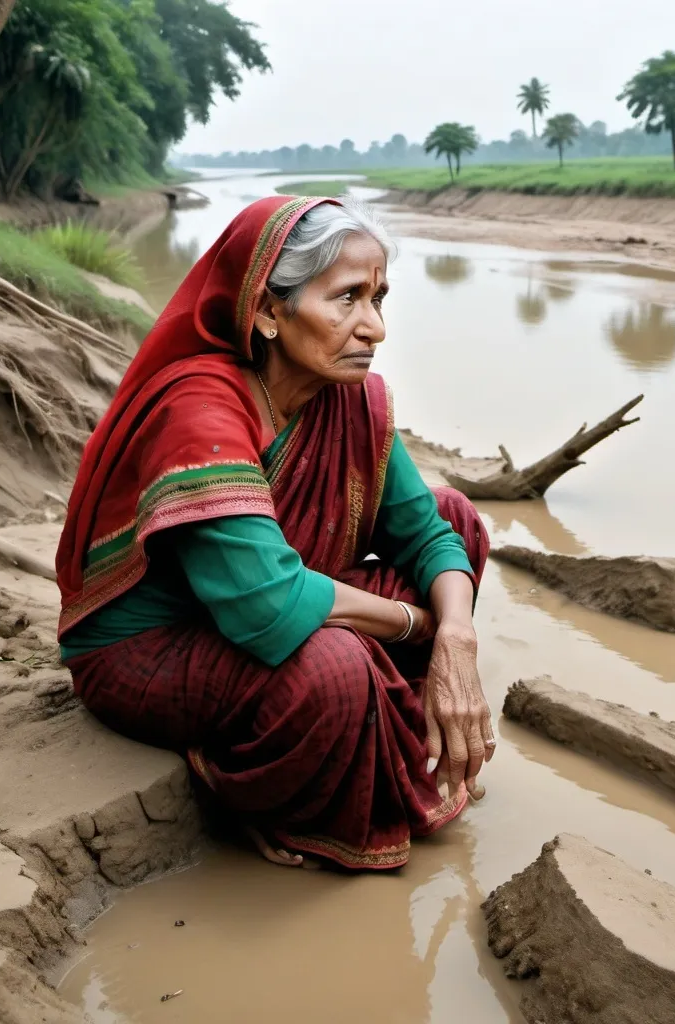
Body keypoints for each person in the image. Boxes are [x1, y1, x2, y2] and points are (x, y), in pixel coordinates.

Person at [56, 194, 494, 870]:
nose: (373, 327)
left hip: (262, 606)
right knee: (338, 671)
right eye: (346, 298)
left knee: (458, 525)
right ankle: (250, 787)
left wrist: (457, 638)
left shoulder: (346, 395)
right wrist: (419, 626)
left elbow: (429, 533)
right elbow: (271, 606)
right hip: (153, 643)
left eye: (378, 298)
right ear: (266, 310)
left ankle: (383, 726)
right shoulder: (198, 409)